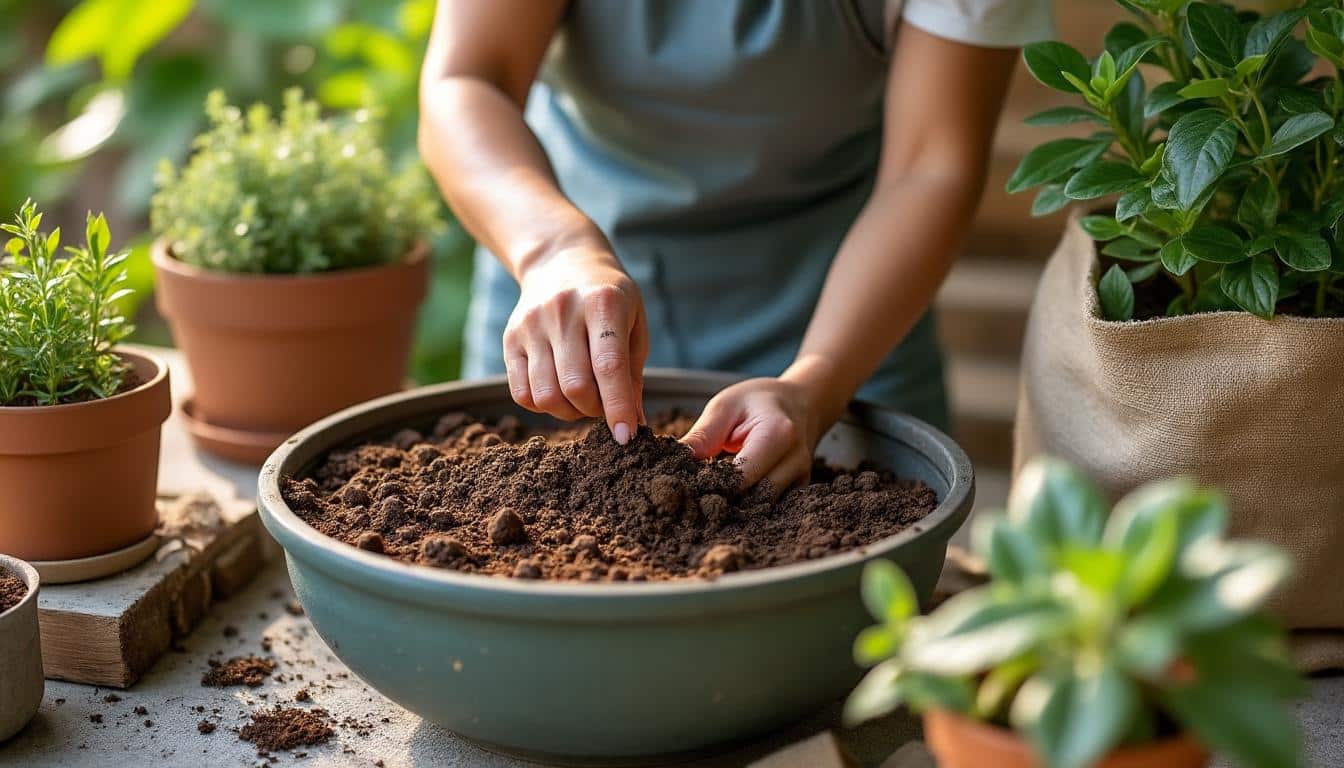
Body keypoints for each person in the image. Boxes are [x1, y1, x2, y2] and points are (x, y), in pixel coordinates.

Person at [419, 0, 1052, 494]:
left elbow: (930, 167)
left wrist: (815, 387)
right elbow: (468, 80)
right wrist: (555, 250)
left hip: (844, 320)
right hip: (565, 304)